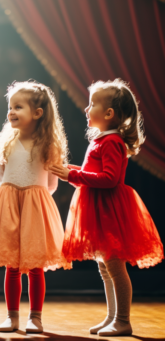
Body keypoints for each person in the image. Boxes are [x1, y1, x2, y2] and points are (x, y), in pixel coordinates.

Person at [50, 79, 164, 336]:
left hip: (109, 211)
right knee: (104, 266)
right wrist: (71, 170)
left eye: (92, 104)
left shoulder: (111, 142)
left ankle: (123, 320)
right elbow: (94, 172)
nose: (86, 109)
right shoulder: (101, 140)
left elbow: (110, 179)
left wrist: (73, 177)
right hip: (98, 209)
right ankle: (112, 316)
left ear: (109, 113)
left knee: (114, 266)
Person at [0, 81, 71, 333]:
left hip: (35, 209)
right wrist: (3, 201)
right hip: (8, 207)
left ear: (37, 114)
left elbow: (51, 184)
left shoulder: (48, 146)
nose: (11, 111)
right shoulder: (8, 143)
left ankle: (35, 317)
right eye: (10, 106)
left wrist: (34, 202)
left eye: (18, 107)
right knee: (12, 265)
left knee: (36, 267)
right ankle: (12, 316)